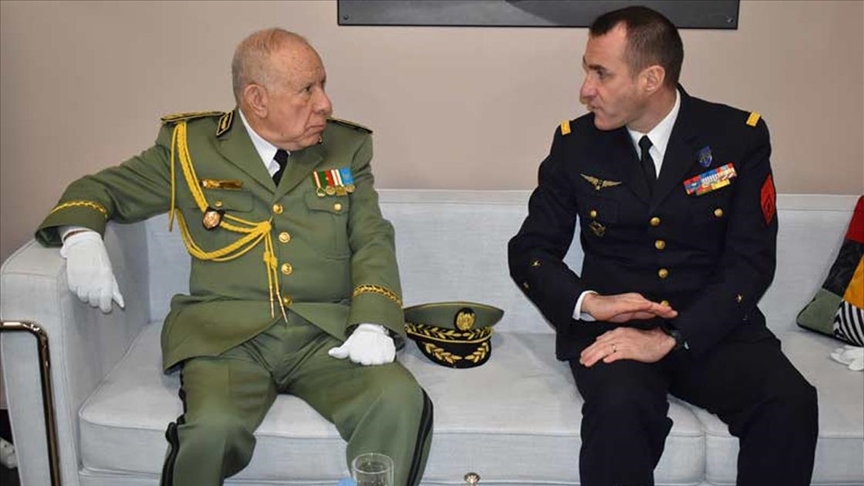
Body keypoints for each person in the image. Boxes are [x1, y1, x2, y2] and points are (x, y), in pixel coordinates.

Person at [35, 28, 432, 486]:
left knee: (398, 400)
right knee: (212, 430)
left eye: (323, 84)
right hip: (228, 340)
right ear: (256, 99)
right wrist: (81, 236)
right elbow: (98, 189)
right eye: (307, 89)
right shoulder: (192, 148)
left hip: (324, 334)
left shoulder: (346, 147)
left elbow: (371, 237)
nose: (325, 104)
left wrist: (373, 320)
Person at [508, 6, 818, 486]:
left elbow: (751, 260)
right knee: (619, 411)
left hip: (713, 327)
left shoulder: (736, 138)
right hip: (615, 334)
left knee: (790, 402)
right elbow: (530, 249)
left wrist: (674, 336)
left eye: (601, 74)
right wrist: (591, 303)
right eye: (587, 71)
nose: (585, 89)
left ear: (651, 78)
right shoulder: (576, 143)